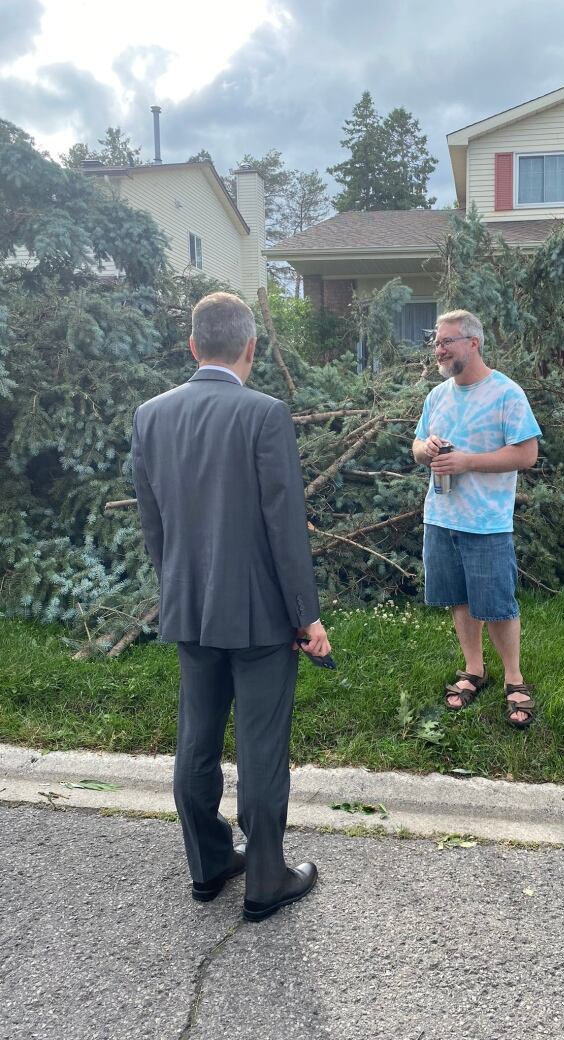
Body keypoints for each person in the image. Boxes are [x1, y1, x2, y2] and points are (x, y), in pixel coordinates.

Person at [132, 290, 330, 923]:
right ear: (252, 348)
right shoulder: (264, 414)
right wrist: (307, 613)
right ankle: (265, 879)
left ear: (193, 346)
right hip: (261, 615)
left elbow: (153, 522)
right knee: (261, 747)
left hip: (188, 604)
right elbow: (285, 528)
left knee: (195, 741)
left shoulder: (150, 416)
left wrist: (175, 590)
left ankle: (209, 863)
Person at [412, 309, 542, 729]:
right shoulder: (438, 396)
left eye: (447, 341)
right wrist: (426, 449)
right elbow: (415, 446)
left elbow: (526, 454)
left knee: (499, 606)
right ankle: (473, 671)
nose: (440, 348)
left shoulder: (506, 393)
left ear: (473, 343)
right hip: (441, 517)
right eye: (437, 342)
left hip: (487, 522)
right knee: (460, 599)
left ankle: (514, 679)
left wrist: (467, 461)